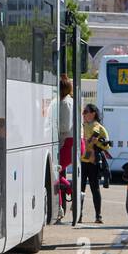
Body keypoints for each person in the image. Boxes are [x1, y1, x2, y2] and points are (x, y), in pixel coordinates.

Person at [80, 104, 109, 224]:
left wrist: (97, 142)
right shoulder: (80, 126)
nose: (83, 114)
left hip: (93, 162)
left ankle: (98, 215)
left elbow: (107, 145)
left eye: (86, 111)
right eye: (83, 112)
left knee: (95, 189)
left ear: (93, 113)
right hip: (81, 162)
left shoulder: (100, 128)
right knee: (80, 189)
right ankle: (79, 214)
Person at [55, 75, 74, 223]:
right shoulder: (68, 101)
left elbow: (64, 126)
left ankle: (72, 189)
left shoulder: (65, 103)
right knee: (57, 173)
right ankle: (59, 207)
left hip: (68, 142)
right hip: (70, 142)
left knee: (56, 172)